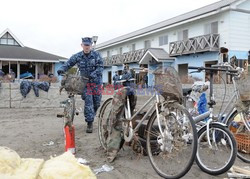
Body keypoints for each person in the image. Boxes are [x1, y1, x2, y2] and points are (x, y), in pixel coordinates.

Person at [57, 37, 104, 133]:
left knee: (97, 103)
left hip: (96, 83)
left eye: (88, 45)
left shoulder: (97, 55)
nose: (86, 47)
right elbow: (69, 63)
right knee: (88, 101)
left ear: (91, 45)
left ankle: (92, 115)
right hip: (85, 83)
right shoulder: (78, 56)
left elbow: (100, 67)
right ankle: (89, 122)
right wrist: (62, 69)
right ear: (82, 45)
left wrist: (93, 75)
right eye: (85, 45)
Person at [106, 64, 137, 162]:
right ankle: (112, 150)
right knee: (116, 118)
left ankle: (127, 130)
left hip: (128, 87)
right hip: (121, 87)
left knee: (131, 106)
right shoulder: (119, 75)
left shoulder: (128, 73)